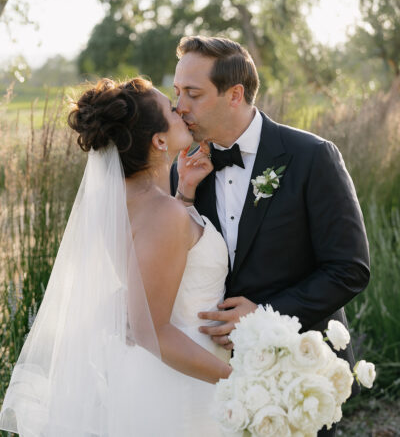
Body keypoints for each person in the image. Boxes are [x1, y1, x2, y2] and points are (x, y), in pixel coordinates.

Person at [0, 77, 232, 437]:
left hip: (151, 373)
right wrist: (240, 380)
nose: (181, 109)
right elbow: (151, 329)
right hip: (184, 381)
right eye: (172, 109)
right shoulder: (162, 213)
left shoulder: (120, 202)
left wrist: (185, 192)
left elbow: (155, 268)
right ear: (158, 141)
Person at [171, 35, 371, 437]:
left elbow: (349, 268)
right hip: (212, 379)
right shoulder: (182, 170)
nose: (179, 107)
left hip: (298, 369)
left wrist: (264, 314)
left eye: (193, 93)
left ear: (235, 94)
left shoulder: (312, 157)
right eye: (176, 92)